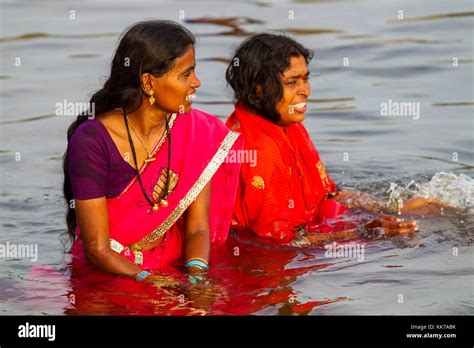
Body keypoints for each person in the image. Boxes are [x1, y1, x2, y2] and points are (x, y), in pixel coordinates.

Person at [63, 20, 242, 285]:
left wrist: (196, 278)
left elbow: (198, 229)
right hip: (110, 272)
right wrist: (153, 282)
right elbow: (97, 248)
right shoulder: (92, 141)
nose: (197, 83)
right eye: (186, 74)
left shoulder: (197, 132)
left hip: (169, 263)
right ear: (148, 82)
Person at [224, 33, 431, 246]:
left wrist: (388, 207)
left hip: (303, 229)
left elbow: (326, 196)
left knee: (418, 209)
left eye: (305, 79)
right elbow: (279, 241)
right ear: (257, 89)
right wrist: (365, 232)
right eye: (292, 82)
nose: (306, 91)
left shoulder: (290, 128)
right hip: (257, 259)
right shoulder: (258, 150)